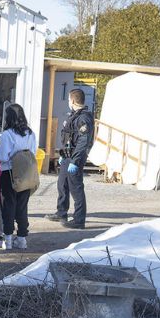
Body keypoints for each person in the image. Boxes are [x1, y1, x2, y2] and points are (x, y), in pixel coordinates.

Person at [45, 89, 95, 229]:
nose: (68, 102)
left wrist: (75, 161)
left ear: (72, 101)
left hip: (75, 158)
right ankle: (61, 212)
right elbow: (69, 138)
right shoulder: (73, 116)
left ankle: (79, 220)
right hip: (67, 155)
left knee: (76, 188)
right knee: (63, 185)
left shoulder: (84, 118)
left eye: (68, 100)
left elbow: (83, 142)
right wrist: (63, 155)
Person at [0, 104, 38, 250]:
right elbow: (33, 152)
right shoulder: (31, 133)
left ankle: (8, 239)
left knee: (8, 206)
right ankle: (22, 239)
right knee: (22, 206)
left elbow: (2, 156)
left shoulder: (8, 134)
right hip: (26, 173)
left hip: (10, 173)